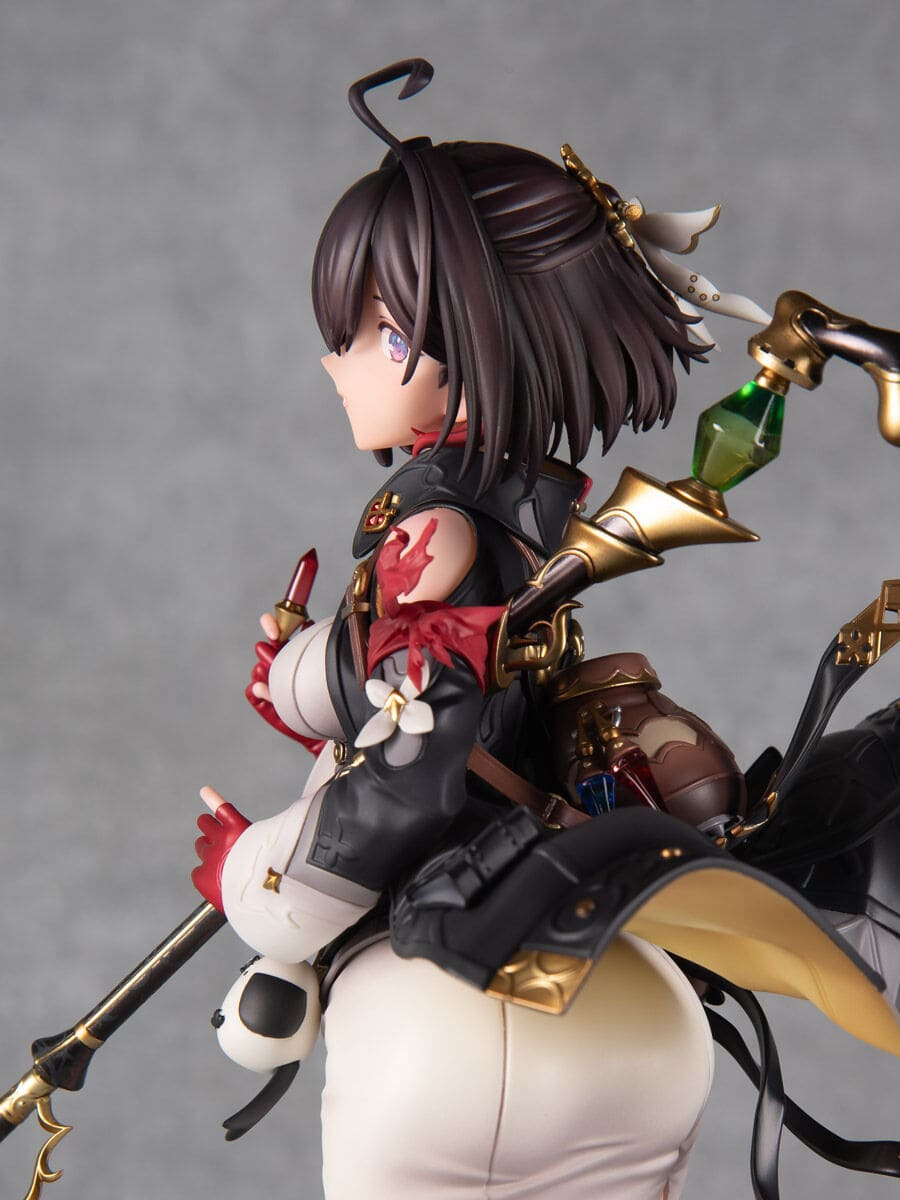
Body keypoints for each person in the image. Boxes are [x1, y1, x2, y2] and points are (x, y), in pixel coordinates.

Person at [191, 59, 900, 1200]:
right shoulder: (510, 517)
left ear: (462, 351)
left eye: (375, 333)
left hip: (456, 998)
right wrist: (302, 675)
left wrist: (258, 880)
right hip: (633, 1025)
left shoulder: (438, 534)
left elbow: (415, 761)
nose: (337, 359)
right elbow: (419, 686)